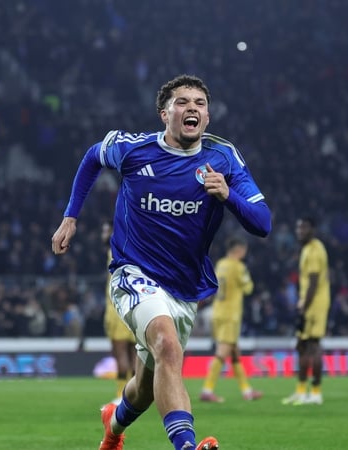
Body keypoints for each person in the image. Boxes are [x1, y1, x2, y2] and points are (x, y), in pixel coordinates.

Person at [52, 74, 271, 450]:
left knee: (144, 390)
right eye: (183, 102)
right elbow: (92, 157)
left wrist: (228, 194)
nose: (192, 108)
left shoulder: (223, 159)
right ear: (163, 113)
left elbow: (262, 222)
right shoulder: (134, 150)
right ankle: (186, 445)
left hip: (184, 288)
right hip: (132, 272)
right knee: (169, 347)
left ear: (208, 115)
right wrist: (71, 216)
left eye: (200, 103)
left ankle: (112, 426)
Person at [199, 236, 261, 403]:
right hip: (231, 315)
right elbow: (248, 288)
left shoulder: (221, 264)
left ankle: (247, 391)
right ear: (240, 250)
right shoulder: (238, 266)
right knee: (222, 352)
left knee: (234, 353)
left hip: (217, 312)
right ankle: (207, 389)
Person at [282, 217, 330, 406]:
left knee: (313, 346)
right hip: (308, 302)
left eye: (304, 227)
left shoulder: (316, 250)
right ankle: (301, 391)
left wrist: (304, 304)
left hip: (315, 304)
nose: (299, 231)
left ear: (313, 229)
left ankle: (316, 393)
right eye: (298, 227)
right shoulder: (307, 249)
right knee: (302, 345)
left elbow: (314, 281)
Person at [100, 221, 137, 404]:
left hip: (116, 310)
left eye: (106, 230)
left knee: (121, 354)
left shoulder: (113, 252)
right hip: (134, 306)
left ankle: (122, 396)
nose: (103, 234)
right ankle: (137, 396)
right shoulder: (133, 250)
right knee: (135, 355)